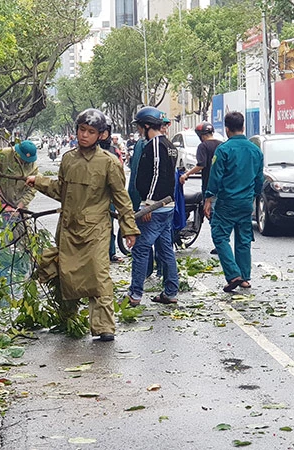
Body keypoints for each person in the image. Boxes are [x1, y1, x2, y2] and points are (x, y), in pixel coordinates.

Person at [26, 108, 140, 342]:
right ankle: (69, 318)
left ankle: (104, 327)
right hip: (68, 229)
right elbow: (61, 189)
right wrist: (37, 181)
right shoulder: (68, 159)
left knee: (99, 276)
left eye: (90, 131)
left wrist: (129, 228)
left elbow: (121, 198)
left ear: (101, 135)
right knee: (65, 274)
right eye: (81, 130)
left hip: (96, 231)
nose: (84, 135)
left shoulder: (109, 162)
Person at [204, 111, 264, 293]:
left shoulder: (224, 150)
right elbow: (259, 179)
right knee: (244, 238)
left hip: (227, 202)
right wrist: (253, 195)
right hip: (246, 202)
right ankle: (245, 278)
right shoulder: (255, 150)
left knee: (219, 235)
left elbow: (215, 177)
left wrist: (208, 199)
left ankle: (233, 274)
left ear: (227, 129)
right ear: (243, 127)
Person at [126, 106, 180, 306]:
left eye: (140, 127)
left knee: (141, 249)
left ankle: (135, 294)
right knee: (165, 250)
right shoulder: (168, 144)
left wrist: (147, 205)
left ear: (147, 125)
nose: (139, 131)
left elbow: (157, 176)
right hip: (165, 206)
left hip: (155, 207)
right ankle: (171, 292)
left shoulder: (156, 145)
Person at [179, 121, 224, 254]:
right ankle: (222, 243)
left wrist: (186, 174)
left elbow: (201, 165)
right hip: (223, 186)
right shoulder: (221, 145)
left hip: (209, 186)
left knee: (211, 215)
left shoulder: (203, 146)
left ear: (200, 135)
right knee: (220, 216)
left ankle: (220, 244)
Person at [99, 115, 123, 263]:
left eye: (104, 132)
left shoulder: (114, 151)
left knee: (110, 226)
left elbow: (120, 175)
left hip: (110, 197)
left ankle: (111, 252)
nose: (102, 135)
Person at [0, 140, 39, 211]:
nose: (23, 162)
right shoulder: (3, 155)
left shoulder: (33, 167)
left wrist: (19, 207)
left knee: (21, 221)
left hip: (19, 203)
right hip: (0, 200)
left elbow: (32, 189)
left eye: (26, 161)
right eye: (22, 159)